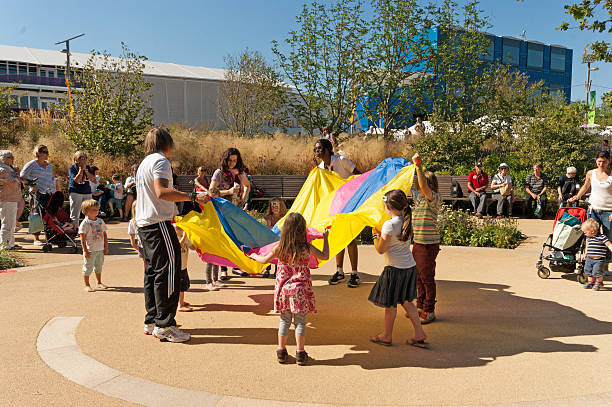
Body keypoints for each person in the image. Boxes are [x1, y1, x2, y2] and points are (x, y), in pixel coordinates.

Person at [136, 127, 208, 343]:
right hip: (158, 224)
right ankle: (165, 325)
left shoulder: (144, 163)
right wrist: (193, 197)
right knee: (169, 272)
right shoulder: (160, 162)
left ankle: (153, 320)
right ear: (167, 143)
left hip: (144, 224)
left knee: (153, 273)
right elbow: (162, 192)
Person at [249, 212, 330, 366]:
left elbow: (263, 260)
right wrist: (325, 238)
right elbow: (325, 255)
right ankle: (300, 353)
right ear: (302, 230)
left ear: (285, 229)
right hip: (301, 289)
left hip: (284, 290)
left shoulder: (280, 247)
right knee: (300, 322)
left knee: (284, 320)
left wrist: (253, 256)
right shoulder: (306, 247)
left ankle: (281, 350)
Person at [369, 189, 427, 347]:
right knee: (408, 302)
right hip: (409, 267)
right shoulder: (407, 219)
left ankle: (387, 335)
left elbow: (381, 249)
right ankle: (419, 333)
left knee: (390, 305)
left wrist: (375, 235)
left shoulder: (389, 225)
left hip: (394, 269)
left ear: (389, 207)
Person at [314, 138, 362, 287]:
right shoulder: (321, 167)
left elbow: (359, 176)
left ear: (327, 149)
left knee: (350, 239)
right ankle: (340, 271)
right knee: (337, 238)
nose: (316, 152)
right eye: (315, 149)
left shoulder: (341, 160)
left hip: (349, 204)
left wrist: (349, 192)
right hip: (334, 206)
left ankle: (354, 274)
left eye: (319, 148)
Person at [210, 147, 251, 278]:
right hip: (221, 209)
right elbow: (211, 191)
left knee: (236, 237)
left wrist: (242, 199)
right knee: (224, 238)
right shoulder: (219, 173)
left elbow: (247, 185)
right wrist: (228, 192)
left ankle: (236, 266)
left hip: (235, 209)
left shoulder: (240, 172)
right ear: (225, 160)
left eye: (235, 160)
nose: (232, 163)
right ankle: (223, 269)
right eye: (230, 160)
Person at [569, 151, 612, 273]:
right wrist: (576, 197)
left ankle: (605, 266)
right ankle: (591, 264)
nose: (601, 164)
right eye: (599, 161)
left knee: (608, 238)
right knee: (592, 236)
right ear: (596, 161)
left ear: (608, 161)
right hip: (593, 210)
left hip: (609, 212)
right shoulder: (591, 173)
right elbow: (585, 186)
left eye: (604, 162)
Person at [411, 153, 441, 325]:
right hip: (418, 243)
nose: (419, 184)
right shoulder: (419, 198)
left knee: (427, 277)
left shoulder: (433, 198)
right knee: (418, 276)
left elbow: (421, 183)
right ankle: (420, 305)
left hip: (429, 245)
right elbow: (411, 184)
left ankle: (430, 309)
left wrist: (418, 165)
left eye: (423, 183)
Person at [20, 144, 60, 246]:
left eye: (47, 152)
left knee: (50, 214)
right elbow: (22, 177)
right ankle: (36, 238)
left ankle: (51, 236)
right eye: (44, 152)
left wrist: (56, 185)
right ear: (38, 153)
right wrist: (32, 184)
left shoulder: (49, 165)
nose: (47, 154)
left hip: (49, 193)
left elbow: (51, 177)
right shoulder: (31, 164)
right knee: (36, 215)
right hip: (37, 193)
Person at [78, 199, 109, 292]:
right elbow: (82, 239)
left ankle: (99, 282)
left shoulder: (100, 221)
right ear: (86, 211)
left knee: (99, 266)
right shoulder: (85, 223)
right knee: (88, 268)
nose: (96, 211)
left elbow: (104, 234)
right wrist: (85, 251)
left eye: (97, 209)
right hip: (90, 250)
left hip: (100, 249)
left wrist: (106, 246)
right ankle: (87, 285)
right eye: (93, 210)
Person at [0, 150, 22, 250]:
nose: (13, 158)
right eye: (10, 157)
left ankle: (11, 243)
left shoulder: (9, 169)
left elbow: (17, 182)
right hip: (6, 199)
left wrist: (17, 174)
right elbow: (13, 183)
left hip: (12, 199)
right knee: (7, 223)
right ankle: (4, 245)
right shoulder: (3, 170)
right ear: (4, 159)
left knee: (11, 223)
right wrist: (16, 177)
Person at [581, 218, 610, 291]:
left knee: (596, 272)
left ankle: (599, 282)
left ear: (592, 231)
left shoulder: (602, 237)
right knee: (587, 270)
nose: (584, 234)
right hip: (589, 258)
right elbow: (588, 246)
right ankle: (590, 282)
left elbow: (609, 244)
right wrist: (585, 253)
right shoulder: (589, 238)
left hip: (598, 260)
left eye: (585, 232)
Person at [262, 198, 288, 278]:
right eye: (273, 206)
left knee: (279, 254)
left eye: (276, 205)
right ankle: (267, 269)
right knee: (268, 253)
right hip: (270, 239)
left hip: (281, 239)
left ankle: (277, 269)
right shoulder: (269, 217)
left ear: (281, 206)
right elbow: (268, 227)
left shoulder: (285, 217)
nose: (274, 208)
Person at [68, 151, 95, 227]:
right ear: (76, 159)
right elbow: (77, 180)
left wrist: (86, 170)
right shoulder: (72, 168)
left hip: (87, 191)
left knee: (90, 211)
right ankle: (74, 230)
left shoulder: (88, 167)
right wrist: (81, 170)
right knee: (75, 213)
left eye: (85, 157)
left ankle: (89, 229)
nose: (84, 160)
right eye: (81, 158)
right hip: (75, 192)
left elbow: (92, 179)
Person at [175, 226, 193, 312]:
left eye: (181, 228)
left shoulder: (184, 238)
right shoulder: (174, 238)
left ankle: (180, 301)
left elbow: (192, 247)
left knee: (184, 284)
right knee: (180, 286)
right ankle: (180, 305)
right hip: (177, 267)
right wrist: (184, 236)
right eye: (178, 228)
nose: (180, 230)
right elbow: (179, 246)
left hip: (183, 266)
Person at [127, 200, 144, 269]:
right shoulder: (133, 222)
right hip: (142, 245)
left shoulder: (148, 220)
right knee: (145, 263)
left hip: (151, 244)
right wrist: (135, 246)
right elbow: (132, 236)